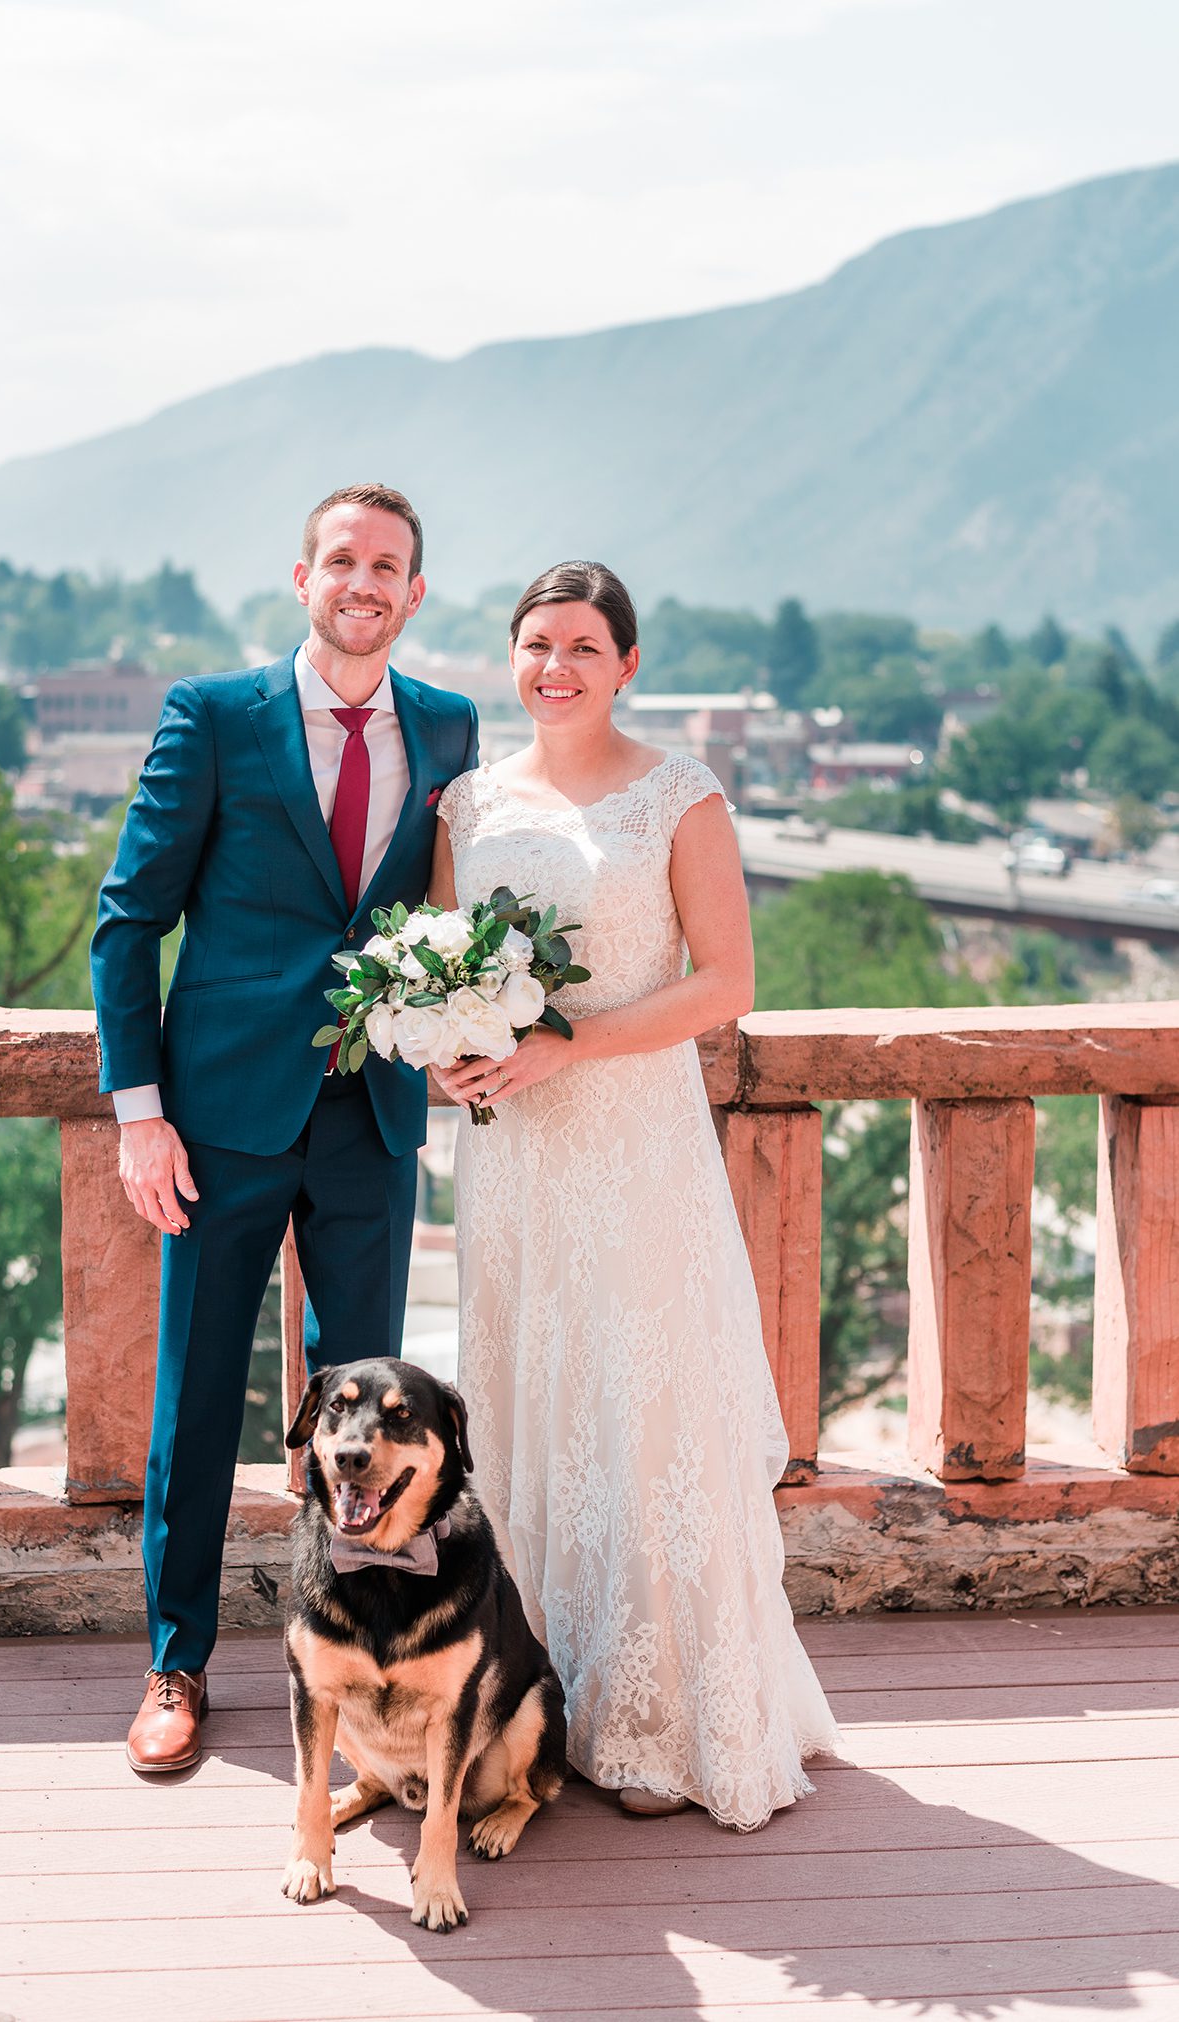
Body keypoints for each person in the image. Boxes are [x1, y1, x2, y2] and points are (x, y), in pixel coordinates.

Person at [430, 561, 839, 1825]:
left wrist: (572, 1046)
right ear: (512, 658)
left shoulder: (679, 794)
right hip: (514, 1155)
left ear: (627, 666)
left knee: (641, 1404)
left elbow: (728, 982)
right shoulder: (468, 803)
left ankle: (657, 1714)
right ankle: (525, 1704)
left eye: (583, 646)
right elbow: (445, 968)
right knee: (526, 1401)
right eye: (536, 644)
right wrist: (451, 1051)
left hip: (633, 1140)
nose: (556, 667)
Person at [91, 484, 478, 1773]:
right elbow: (128, 922)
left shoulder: (449, 725)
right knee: (199, 1399)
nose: (364, 583)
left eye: (389, 567)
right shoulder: (213, 716)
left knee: (370, 1425)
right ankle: (176, 1663)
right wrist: (142, 1116)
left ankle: (366, 1674)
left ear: (416, 593)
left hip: (372, 1119)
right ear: (302, 576)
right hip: (221, 1124)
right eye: (343, 561)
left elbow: (453, 915)